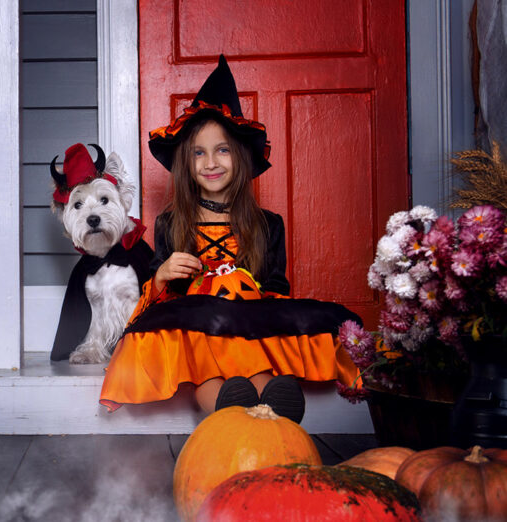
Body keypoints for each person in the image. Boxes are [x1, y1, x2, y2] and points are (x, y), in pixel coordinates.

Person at [98, 56, 361, 423]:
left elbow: (276, 289)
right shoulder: (172, 223)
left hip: (249, 324)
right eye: (199, 153)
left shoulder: (268, 224)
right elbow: (158, 292)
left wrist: (243, 289)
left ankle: (273, 407)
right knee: (207, 361)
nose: (211, 162)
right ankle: (230, 411)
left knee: (255, 352)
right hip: (196, 330)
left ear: (239, 156)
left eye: (221, 149)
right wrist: (163, 275)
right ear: (187, 164)